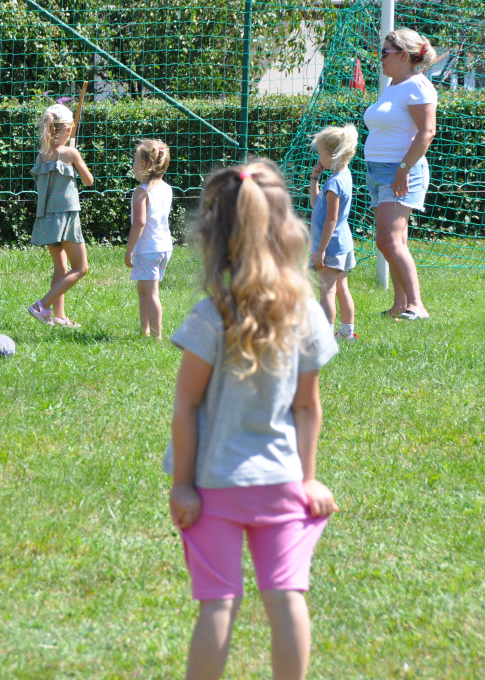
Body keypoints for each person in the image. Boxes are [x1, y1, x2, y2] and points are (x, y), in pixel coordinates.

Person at [165, 161, 340, 680]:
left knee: (218, 604)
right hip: (283, 482)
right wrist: (307, 480)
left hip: (214, 487)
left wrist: (183, 485)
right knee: (287, 598)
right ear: (288, 231)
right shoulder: (307, 313)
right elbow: (307, 406)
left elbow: (186, 405)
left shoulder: (209, 316)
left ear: (214, 238)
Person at [364, 28, 438, 321]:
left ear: (403, 55)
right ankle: (400, 304)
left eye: (385, 52)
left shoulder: (418, 87)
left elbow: (426, 133)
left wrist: (403, 170)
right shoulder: (393, 84)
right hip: (378, 171)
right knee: (395, 242)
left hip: (402, 172)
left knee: (388, 241)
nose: (379, 58)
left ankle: (417, 306)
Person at [27, 103, 95, 328]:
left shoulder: (41, 156)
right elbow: (89, 181)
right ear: (68, 131)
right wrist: (75, 159)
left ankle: (59, 317)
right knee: (81, 268)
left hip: (46, 218)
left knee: (61, 269)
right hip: (66, 217)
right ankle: (42, 306)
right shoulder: (70, 153)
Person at [308, 125, 358, 341]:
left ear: (331, 155)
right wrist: (314, 179)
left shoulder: (335, 183)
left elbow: (331, 218)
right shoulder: (343, 176)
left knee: (327, 291)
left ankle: (325, 337)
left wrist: (321, 250)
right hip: (344, 244)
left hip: (331, 246)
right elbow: (316, 205)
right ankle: (347, 332)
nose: (319, 159)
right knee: (341, 289)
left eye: (320, 154)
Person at [124, 139, 173, 339]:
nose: (133, 166)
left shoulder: (141, 192)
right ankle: (144, 331)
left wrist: (129, 250)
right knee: (143, 289)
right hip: (164, 247)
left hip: (147, 249)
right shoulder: (166, 188)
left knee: (151, 293)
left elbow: (140, 223)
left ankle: (156, 335)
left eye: (135, 162)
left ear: (144, 164)